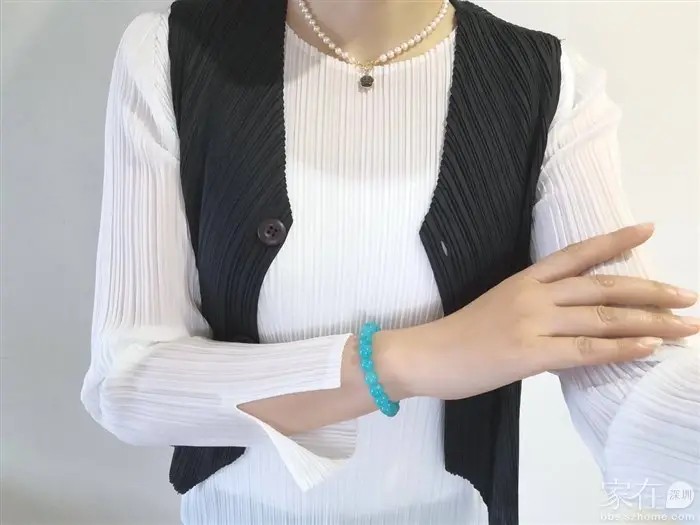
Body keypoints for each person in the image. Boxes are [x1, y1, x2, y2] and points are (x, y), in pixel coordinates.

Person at [80, 0, 700, 523]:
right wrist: (405, 360)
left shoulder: (550, 85)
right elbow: (128, 382)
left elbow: (628, 393)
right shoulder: (171, 53)